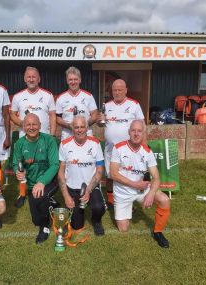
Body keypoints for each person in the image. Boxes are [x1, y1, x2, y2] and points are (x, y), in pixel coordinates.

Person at [110, 120, 171, 248]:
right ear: (129, 132)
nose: (136, 134)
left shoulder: (147, 152)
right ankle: (129, 206)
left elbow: (156, 177)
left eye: (139, 131)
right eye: (133, 131)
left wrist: (151, 194)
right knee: (123, 229)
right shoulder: (118, 148)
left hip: (141, 190)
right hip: (123, 192)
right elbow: (113, 174)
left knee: (164, 200)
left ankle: (158, 232)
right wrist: (135, 184)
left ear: (143, 133)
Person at [10, 66, 57, 208]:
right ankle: (23, 193)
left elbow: (52, 115)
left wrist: (52, 135)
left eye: (34, 76)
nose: (31, 79)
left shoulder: (48, 95)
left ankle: (47, 192)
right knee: (22, 165)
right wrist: (25, 124)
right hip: (26, 136)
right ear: (25, 79)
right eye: (28, 77)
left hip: (44, 138)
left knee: (46, 165)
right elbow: (12, 114)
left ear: (39, 79)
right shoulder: (18, 96)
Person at [97, 79, 145, 208]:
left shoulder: (134, 105)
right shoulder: (106, 106)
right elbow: (100, 124)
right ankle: (111, 200)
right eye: (114, 90)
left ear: (126, 90)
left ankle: (129, 200)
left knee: (127, 174)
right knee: (110, 174)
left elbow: (142, 127)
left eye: (120, 90)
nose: (117, 92)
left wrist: (143, 147)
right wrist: (99, 120)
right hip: (110, 148)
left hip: (128, 149)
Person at [13, 113, 59, 244]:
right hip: (30, 183)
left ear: (40, 125)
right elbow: (16, 163)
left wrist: (42, 182)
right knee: (35, 220)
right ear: (23, 126)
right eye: (28, 124)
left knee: (40, 197)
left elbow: (55, 164)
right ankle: (50, 204)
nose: (31, 127)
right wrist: (18, 172)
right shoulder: (19, 144)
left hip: (49, 180)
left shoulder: (49, 140)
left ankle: (45, 227)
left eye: (34, 124)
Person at [58, 115, 106, 236]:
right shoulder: (64, 144)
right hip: (72, 189)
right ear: (72, 129)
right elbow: (61, 172)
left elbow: (100, 170)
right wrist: (66, 196)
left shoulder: (95, 143)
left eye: (82, 127)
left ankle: (96, 221)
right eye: (76, 127)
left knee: (99, 207)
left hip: (91, 186)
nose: (79, 130)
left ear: (87, 127)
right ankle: (75, 213)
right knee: (76, 226)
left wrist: (89, 190)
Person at [56, 66, 98, 140]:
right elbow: (58, 118)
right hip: (67, 135)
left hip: (86, 134)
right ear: (67, 80)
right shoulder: (61, 98)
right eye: (70, 79)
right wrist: (68, 125)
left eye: (75, 79)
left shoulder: (88, 96)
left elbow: (94, 115)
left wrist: (84, 126)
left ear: (80, 80)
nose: (73, 82)